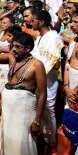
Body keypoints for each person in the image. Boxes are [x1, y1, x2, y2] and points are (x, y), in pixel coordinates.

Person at [31, 10, 64, 147]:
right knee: (39, 107)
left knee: (48, 108)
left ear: (42, 22)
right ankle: (42, 136)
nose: (30, 23)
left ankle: (51, 141)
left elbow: (55, 63)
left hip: (49, 80)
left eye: (33, 20)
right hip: (37, 78)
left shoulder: (53, 37)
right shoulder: (39, 37)